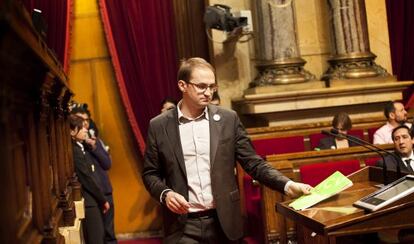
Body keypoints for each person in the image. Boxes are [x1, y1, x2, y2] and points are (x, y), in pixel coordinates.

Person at [142, 57, 312, 243]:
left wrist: (287, 185)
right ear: (182, 85)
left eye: (212, 87)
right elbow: (150, 173)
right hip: (182, 226)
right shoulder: (159, 126)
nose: (208, 93)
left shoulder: (228, 119)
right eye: (201, 86)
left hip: (223, 222)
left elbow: (253, 163)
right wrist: (165, 194)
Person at [71, 105, 117, 244]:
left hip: (105, 190)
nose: (85, 125)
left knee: (109, 234)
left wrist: (94, 146)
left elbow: (107, 163)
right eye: (80, 121)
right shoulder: (77, 147)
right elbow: (86, 175)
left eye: (86, 120)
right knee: (97, 235)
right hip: (92, 195)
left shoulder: (95, 141)